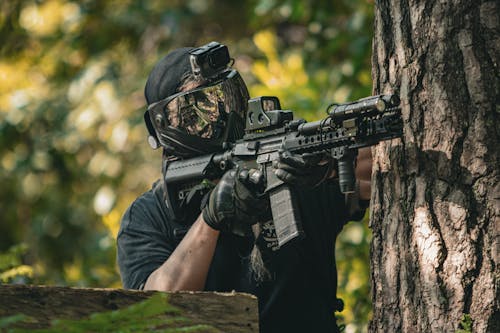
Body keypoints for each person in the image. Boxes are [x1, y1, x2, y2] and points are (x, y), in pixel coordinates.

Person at [117, 42, 372, 333]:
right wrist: (210, 219)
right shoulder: (149, 215)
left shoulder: (290, 170)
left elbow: (384, 166)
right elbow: (155, 313)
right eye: (202, 108)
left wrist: (326, 165)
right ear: (167, 124)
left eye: (226, 96)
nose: (222, 113)